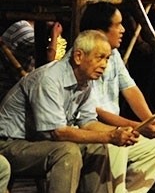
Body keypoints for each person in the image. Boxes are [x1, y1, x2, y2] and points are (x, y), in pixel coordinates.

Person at [0, 30, 140, 193]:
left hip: (38, 143)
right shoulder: (49, 79)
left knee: (97, 149)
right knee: (67, 151)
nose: (104, 65)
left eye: (107, 59)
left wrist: (121, 132)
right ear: (78, 56)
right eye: (99, 57)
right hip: (10, 144)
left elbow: (88, 123)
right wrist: (110, 136)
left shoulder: (84, 83)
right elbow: (58, 133)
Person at [76, 2, 155, 192]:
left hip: (118, 128)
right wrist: (139, 127)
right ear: (99, 30)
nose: (123, 29)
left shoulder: (115, 55)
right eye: (117, 25)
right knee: (117, 145)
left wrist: (152, 123)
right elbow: (94, 113)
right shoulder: (84, 59)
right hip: (94, 131)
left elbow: (131, 89)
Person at [0, 20, 62, 98]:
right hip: (8, 91)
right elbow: (49, 58)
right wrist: (55, 35)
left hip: (19, 88)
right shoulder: (24, 29)